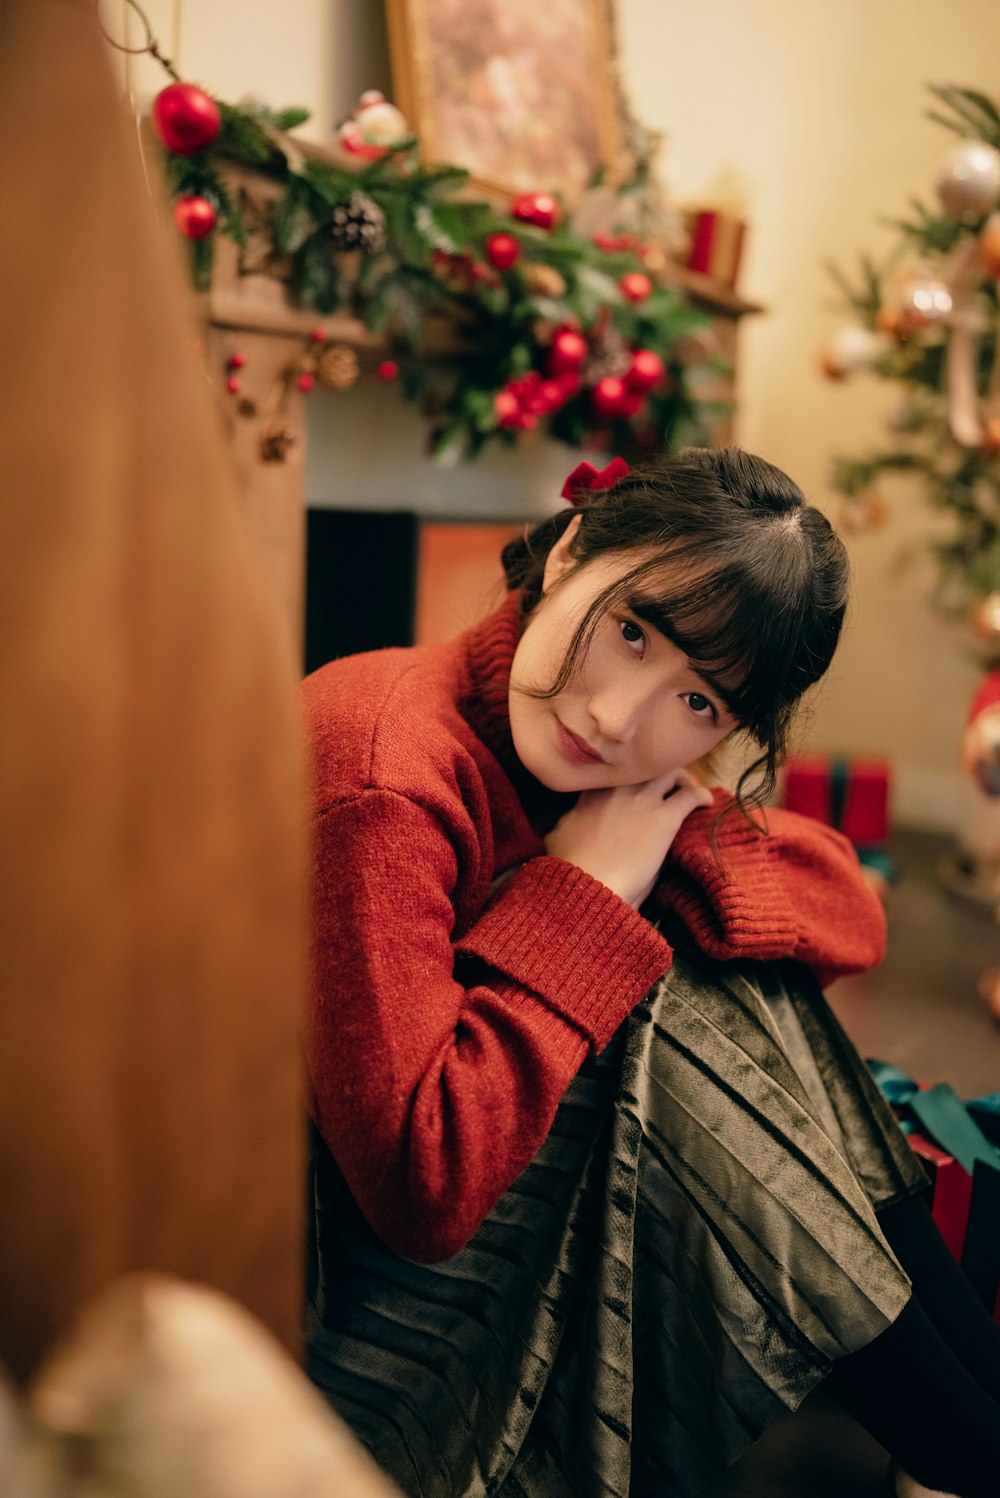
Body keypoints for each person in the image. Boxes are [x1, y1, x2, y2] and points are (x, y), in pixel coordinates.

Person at [300, 448, 1000, 1498]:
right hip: (360, 1289)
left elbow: (848, 912)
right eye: (628, 630)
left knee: (719, 971)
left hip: (484, 1193)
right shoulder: (389, 775)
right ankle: (965, 1443)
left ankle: (973, 1432)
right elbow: (420, 1182)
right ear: (570, 549)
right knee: (670, 1009)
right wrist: (585, 896)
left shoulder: (587, 770)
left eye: (699, 703)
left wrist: (647, 853)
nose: (618, 719)